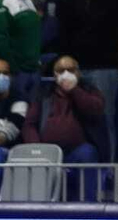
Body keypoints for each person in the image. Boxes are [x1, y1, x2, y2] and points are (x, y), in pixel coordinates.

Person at [21, 57, 110, 200]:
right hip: (48, 153)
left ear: (78, 73)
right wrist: (37, 147)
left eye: (71, 70)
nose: (66, 74)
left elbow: (95, 110)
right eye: (61, 71)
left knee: (88, 152)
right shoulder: (44, 94)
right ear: (54, 75)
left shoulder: (89, 90)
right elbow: (29, 124)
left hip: (77, 152)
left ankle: (89, 208)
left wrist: (74, 90)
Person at [59, 0, 118, 128]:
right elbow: (66, 29)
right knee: (77, 118)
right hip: (78, 67)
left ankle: (107, 156)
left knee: (104, 117)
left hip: (104, 67)